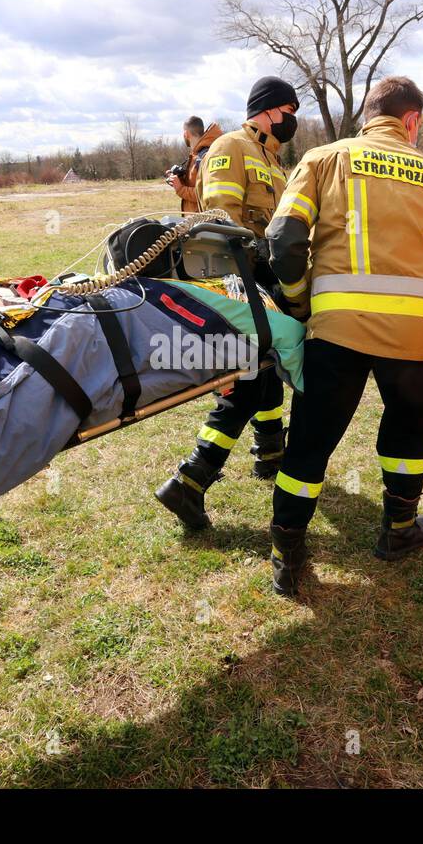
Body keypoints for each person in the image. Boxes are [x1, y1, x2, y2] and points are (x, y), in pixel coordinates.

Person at [263, 76, 423, 595]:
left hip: (337, 330)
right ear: (412, 121)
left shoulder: (326, 158)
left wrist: (300, 301)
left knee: (308, 444)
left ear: (368, 114)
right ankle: (398, 530)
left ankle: (288, 554)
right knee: (410, 434)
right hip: (416, 333)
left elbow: (282, 238)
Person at [155, 76, 298, 529]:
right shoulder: (231, 148)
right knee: (248, 380)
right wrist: (244, 280)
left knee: (265, 368)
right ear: (269, 109)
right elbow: (218, 224)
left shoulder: (273, 159)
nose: (293, 119)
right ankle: (190, 479)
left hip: (268, 281)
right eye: (289, 110)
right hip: (241, 284)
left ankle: (270, 449)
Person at [167, 115, 221, 214]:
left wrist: (180, 189)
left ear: (186, 134)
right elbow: (196, 184)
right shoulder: (196, 154)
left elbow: (207, 193)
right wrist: (179, 180)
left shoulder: (205, 156)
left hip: (203, 221)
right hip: (195, 219)